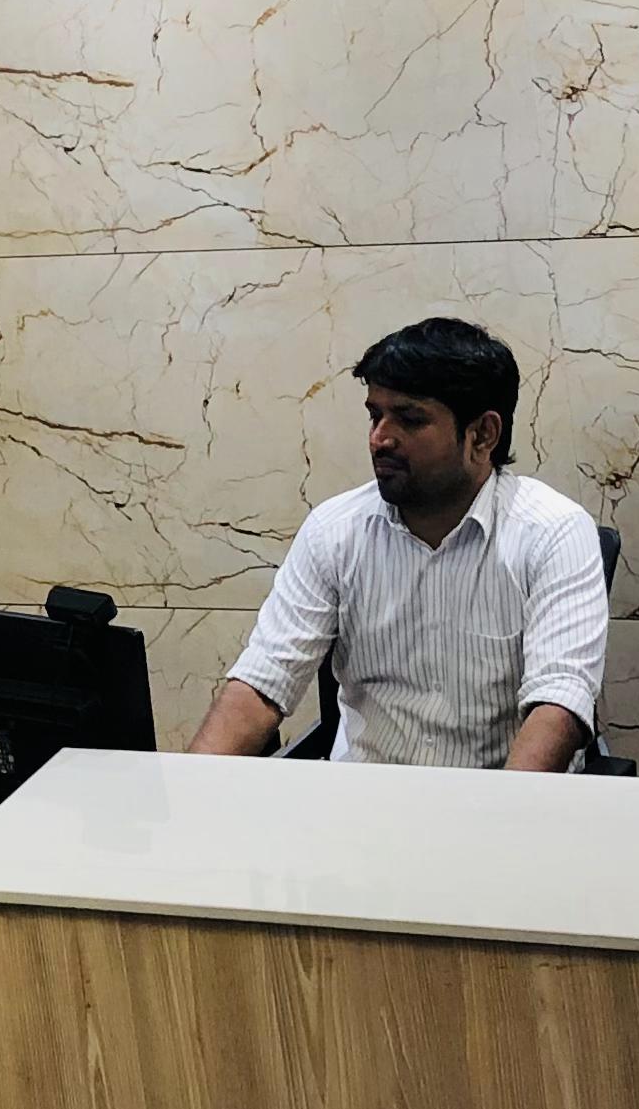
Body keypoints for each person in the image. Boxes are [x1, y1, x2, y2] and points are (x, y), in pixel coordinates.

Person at [189, 316, 609, 771]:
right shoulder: (334, 530)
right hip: (364, 794)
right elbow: (263, 681)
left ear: (482, 435)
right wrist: (190, 789)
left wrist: (499, 813)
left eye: (409, 419)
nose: (380, 438)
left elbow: (557, 702)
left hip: (501, 793)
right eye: (375, 415)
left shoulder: (554, 532)